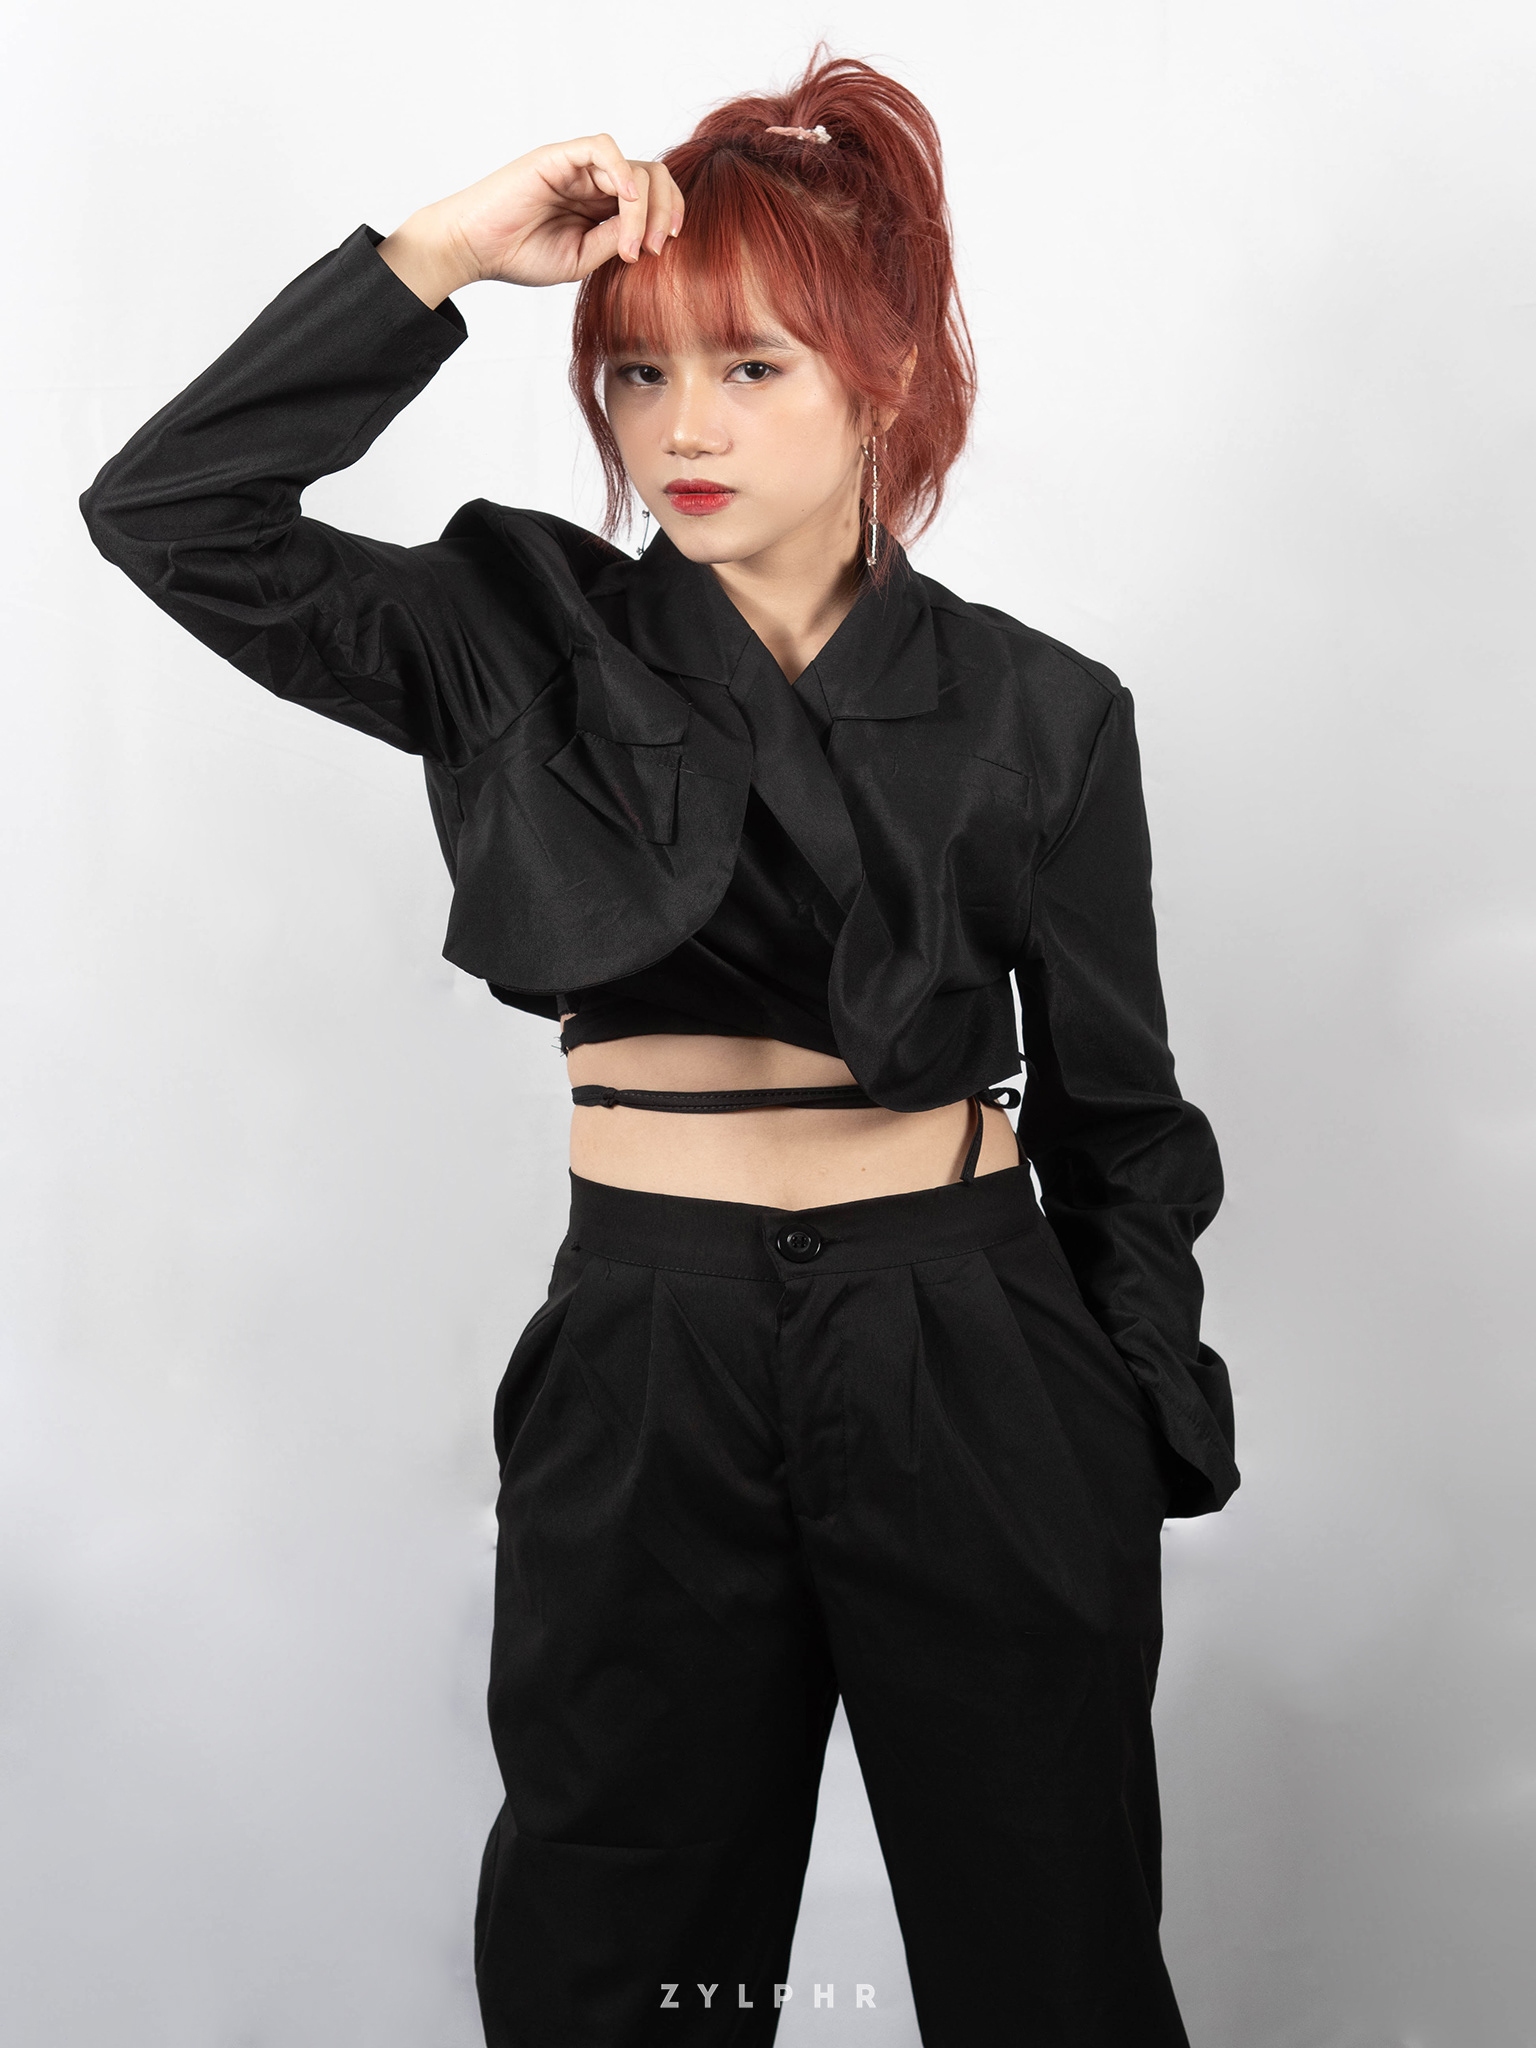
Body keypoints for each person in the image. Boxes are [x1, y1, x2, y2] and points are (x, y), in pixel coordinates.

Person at [80, 48, 1237, 2048]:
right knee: (617, 1966)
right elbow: (169, 513)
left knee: (1045, 1958)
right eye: (638, 373)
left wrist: (1125, 1426)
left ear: (884, 375)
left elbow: (1123, 1118)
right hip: (649, 1340)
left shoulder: (1044, 711)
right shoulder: (514, 634)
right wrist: (440, 253)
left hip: (971, 1348)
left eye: (752, 367)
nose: (681, 427)